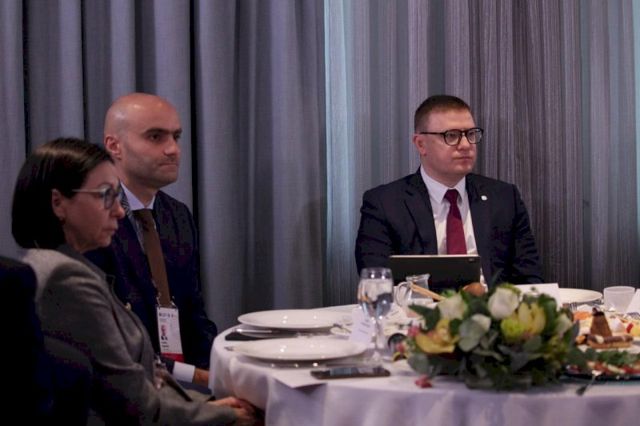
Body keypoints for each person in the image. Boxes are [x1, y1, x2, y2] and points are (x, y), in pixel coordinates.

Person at [12, 137, 256, 425]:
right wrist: (226, 415)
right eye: (106, 195)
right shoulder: (65, 278)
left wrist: (211, 406)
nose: (118, 210)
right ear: (58, 203)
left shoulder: (48, 264)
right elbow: (135, 407)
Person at [85, 93, 215, 388]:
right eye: (155, 137)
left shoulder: (177, 215)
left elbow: (194, 314)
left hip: (185, 383)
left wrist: (219, 372)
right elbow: (108, 339)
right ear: (114, 146)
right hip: (123, 387)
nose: (173, 149)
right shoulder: (93, 218)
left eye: (176, 137)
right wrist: (199, 377)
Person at [355, 95, 543, 285]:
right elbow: (376, 281)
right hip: (419, 304)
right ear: (421, 144)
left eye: (471, 134)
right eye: (451, 136)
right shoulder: (385, 204)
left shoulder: (504, 198)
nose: (466, 145)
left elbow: (530, 278)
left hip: (492, 303)